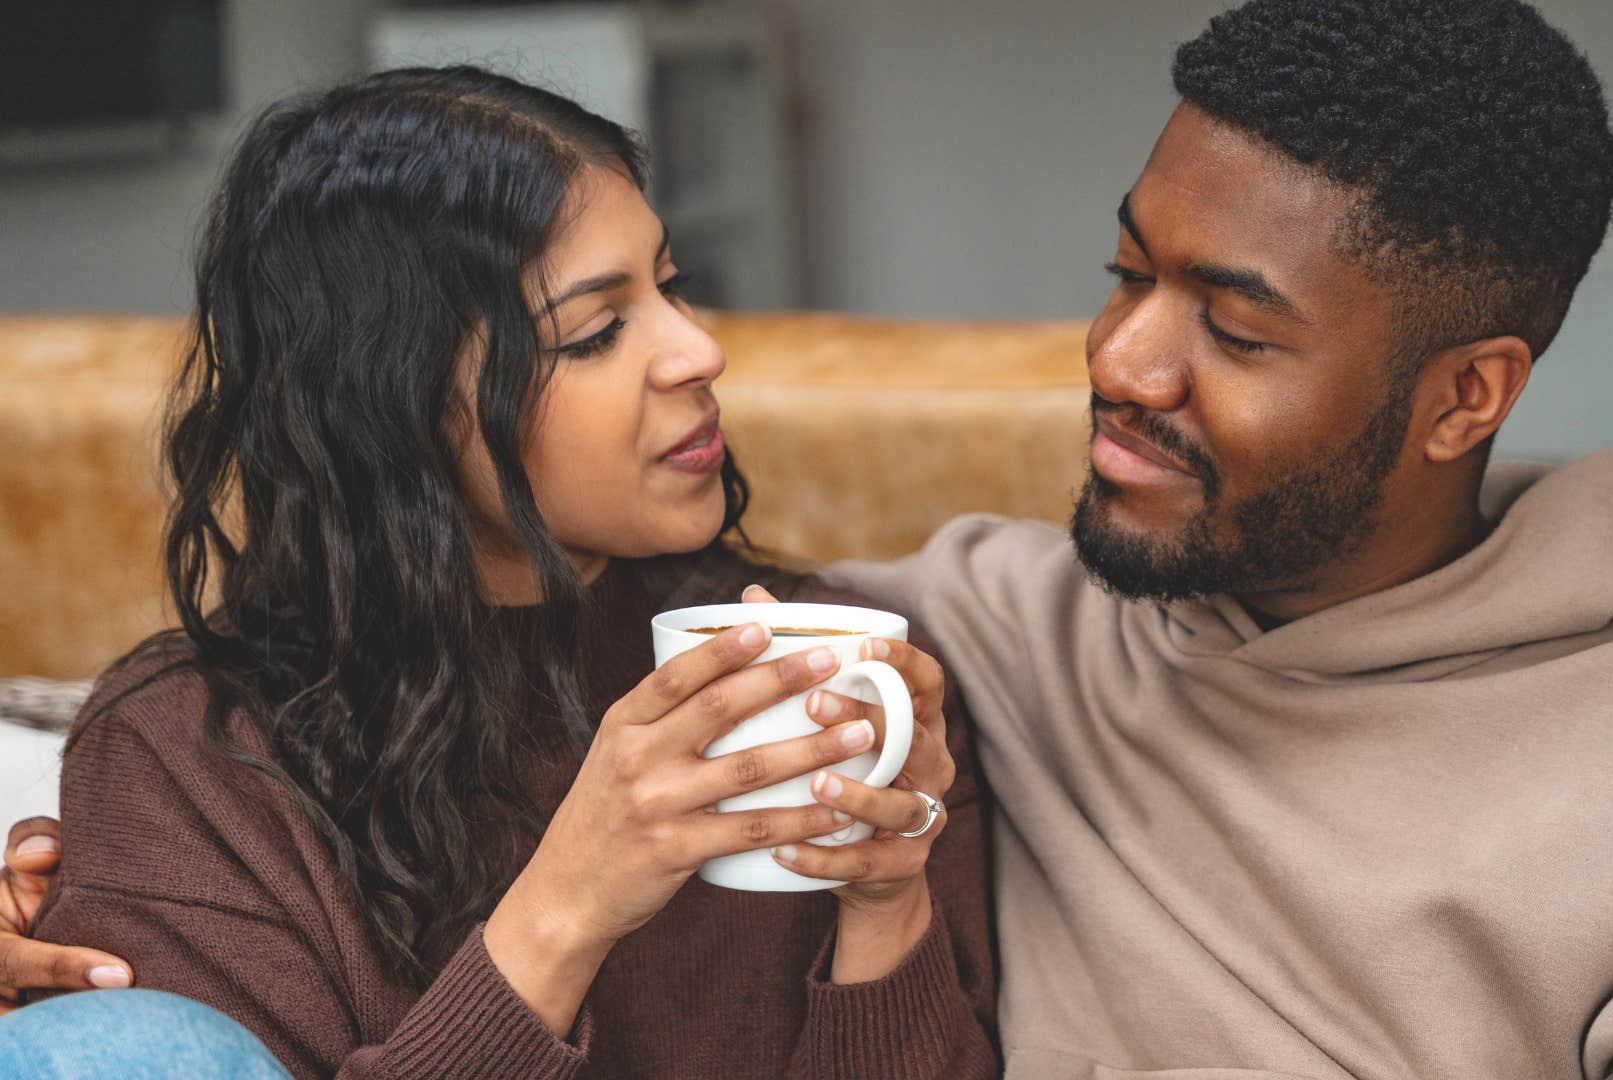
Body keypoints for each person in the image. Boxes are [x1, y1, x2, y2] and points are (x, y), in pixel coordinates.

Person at [10, 0, 1613, 1077]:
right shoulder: (994, 630)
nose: (1118, 364)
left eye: (1234, 330)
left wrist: (885, 903)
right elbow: (310, 696)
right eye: (1121, 274)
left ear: (1463, 395)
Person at [0, 66, 995, 1079]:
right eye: (597, 331)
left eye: (672, 284)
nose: (699, 351)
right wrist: (570, 904)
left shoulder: (843, 663)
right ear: (395, 407)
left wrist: (888, 907)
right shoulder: (186, 760)